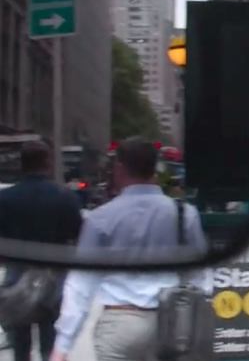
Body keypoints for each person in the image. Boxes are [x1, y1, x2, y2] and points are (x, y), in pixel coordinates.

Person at [49, 137, 211, 361]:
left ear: (119, 168)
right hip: (170, 323)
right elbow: (200, 274)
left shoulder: (101, 218)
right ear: (155, 168)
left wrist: (62, 345)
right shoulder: (184, 214)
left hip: (120, 324)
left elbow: (81, 284)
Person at [0, 141, 83, 361]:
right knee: (51, 345)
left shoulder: (5, 199)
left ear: (22, 164)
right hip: (54, 281)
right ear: (48, 163)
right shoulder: (65, 197)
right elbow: (77, 236)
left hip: (17, 280)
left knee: (19, 347)